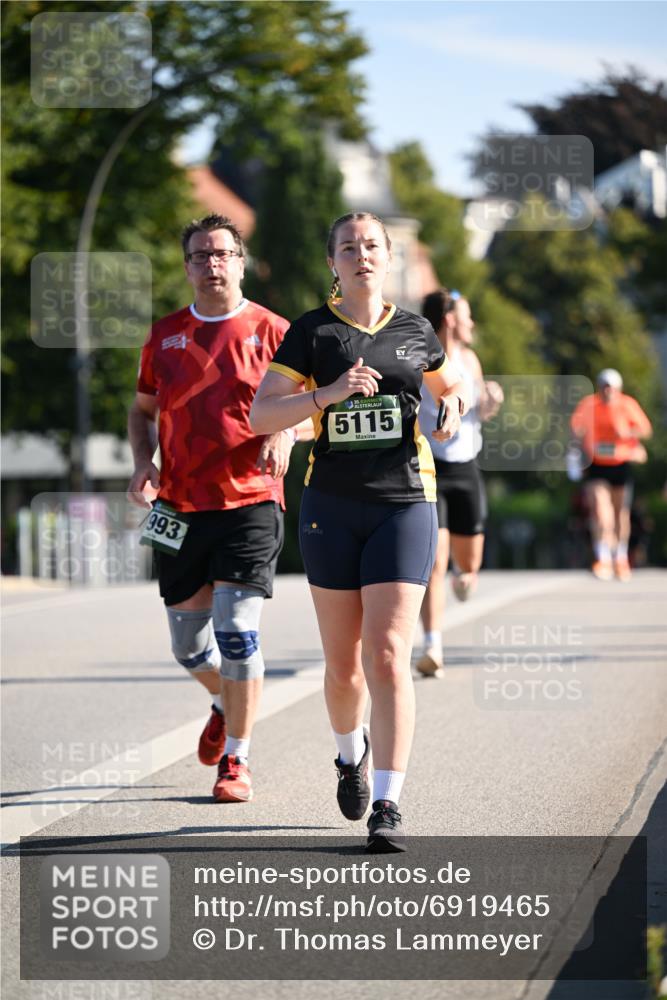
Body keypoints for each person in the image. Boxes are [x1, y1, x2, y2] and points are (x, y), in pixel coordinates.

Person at [249, 212, 469, 851]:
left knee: (386, 656)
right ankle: (350, 756)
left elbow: (449, 388)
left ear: (389, 256)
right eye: (349, 247)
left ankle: (388, 802)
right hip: (332, 506)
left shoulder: (415, 330)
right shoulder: (310, 332)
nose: (362, 255)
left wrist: (450, 409)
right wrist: (328, 395)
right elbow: (264, 413)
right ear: (333, 263)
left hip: (405, 500)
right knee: (344, 666)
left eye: (372, 245)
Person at [127, 213, 299, 804]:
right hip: (176, 505)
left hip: (250, 499)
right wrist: (142, 462)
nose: (212, 263)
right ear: (187, 266)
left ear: (241, 261)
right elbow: (142, 410)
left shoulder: (275, 330)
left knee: (237, 636)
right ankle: (226, 701)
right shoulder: (165, 335)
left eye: (222, 253)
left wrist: (286, 433)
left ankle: (236, 761)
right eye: (200, 255)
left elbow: (312, 404)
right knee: (187, 646)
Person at [415, 289, 503, 677]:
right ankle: (433, 644)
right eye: (467, 316)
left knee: (468, 564)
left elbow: (480, 411)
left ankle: (464, 576)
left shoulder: (469, 359)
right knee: (434, 561)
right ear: (450, 319)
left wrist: (492, 402)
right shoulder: (420, 358)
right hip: (429, 468)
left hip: (466, 469)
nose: (472, 324)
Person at [570, 368, 652, 581]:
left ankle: (620, 557)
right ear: (599, 387)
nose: (608, 391)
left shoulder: (627, 404)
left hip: (621, 464)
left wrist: (627, 432)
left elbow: (645, 429)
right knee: (600, 510)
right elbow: (575, 429)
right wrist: (577, 449)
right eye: (604, 386)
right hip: (597, 464)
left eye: (612, 387)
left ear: (618, 388)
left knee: (620, 513)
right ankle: (602, 557)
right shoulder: (589, 405)